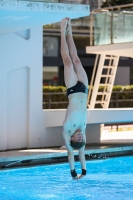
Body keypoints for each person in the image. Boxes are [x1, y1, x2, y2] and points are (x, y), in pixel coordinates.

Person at [60, 18, 89, 180]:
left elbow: (72, 154)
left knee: (68, 62)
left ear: (71, 139)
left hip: (72, 89)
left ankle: (62, 28)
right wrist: (83, 173)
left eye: (78, 137)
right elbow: (82, 154)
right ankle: (70, 32)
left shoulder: (67, 131)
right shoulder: (83, 131)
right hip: (84, 89)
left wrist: (73, 173)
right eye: (81, 137)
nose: (80, 136)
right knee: (76, 59)